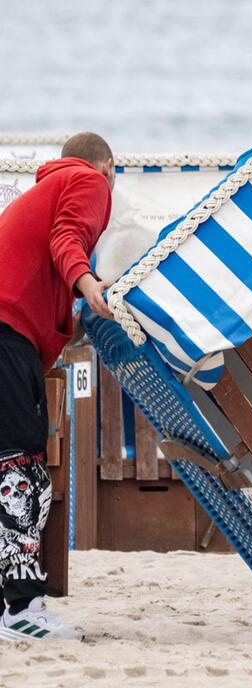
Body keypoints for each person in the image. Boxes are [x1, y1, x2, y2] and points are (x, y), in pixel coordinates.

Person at [0, 132, 115, 641]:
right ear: (107, 165)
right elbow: (67, 238)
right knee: (21, 467)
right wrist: (88, 284)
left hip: (10, 331)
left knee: (8, 463)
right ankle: (22, 610)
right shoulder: (89, 180)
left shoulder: (42, 190)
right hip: (6, 332)